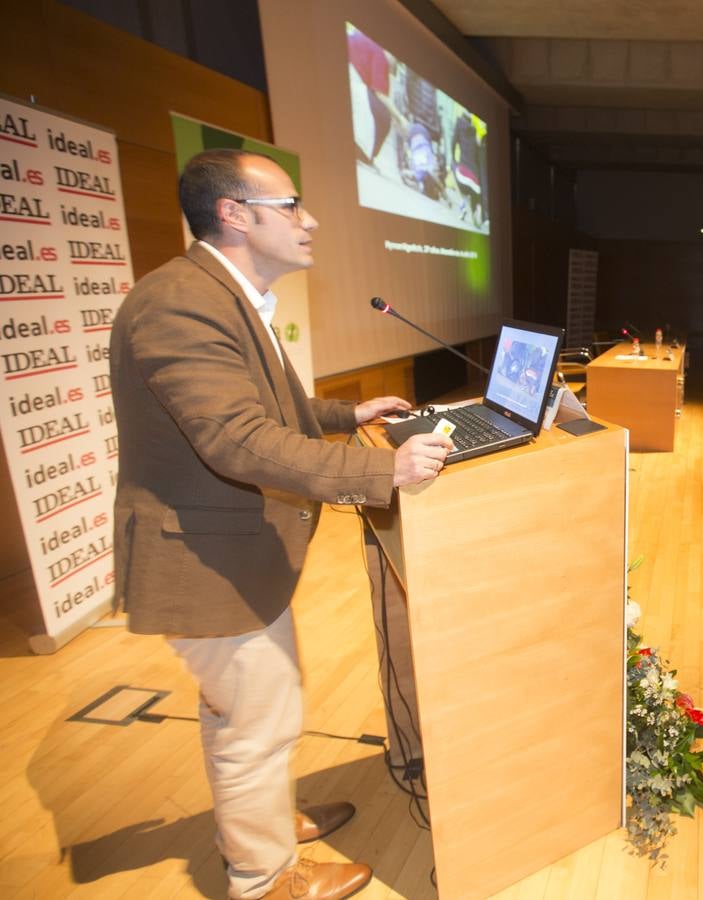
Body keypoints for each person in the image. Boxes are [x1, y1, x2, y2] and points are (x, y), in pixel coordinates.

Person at [111, 149, 454, 900]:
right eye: (292, 205)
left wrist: (346, 415)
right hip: (200, 560)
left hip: (226, 550)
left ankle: (260, 819)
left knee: (247, 709)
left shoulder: (222, 292)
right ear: (234, 214)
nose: (311, 220)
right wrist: (380, 471)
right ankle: (264, 877)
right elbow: (233, 438)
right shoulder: (181, 303)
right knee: (257, 719)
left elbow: (264, 409)